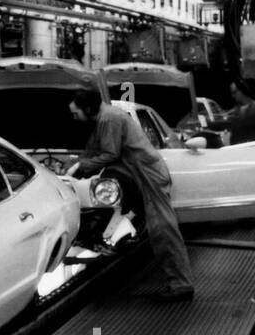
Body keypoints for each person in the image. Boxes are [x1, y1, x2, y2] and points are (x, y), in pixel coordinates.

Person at [68, 89, 195, 301]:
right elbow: (94, 149)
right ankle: (179, 282)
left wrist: (81, 166)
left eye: (75, 113)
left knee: (163, 230)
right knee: (160, 229)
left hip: (149, 176)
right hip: (143, 175)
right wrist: (77, 163)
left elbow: (110, 154)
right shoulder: (105, 118)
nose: (74, 118)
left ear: (88, 109)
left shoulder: (109, 119)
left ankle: (181, 285)